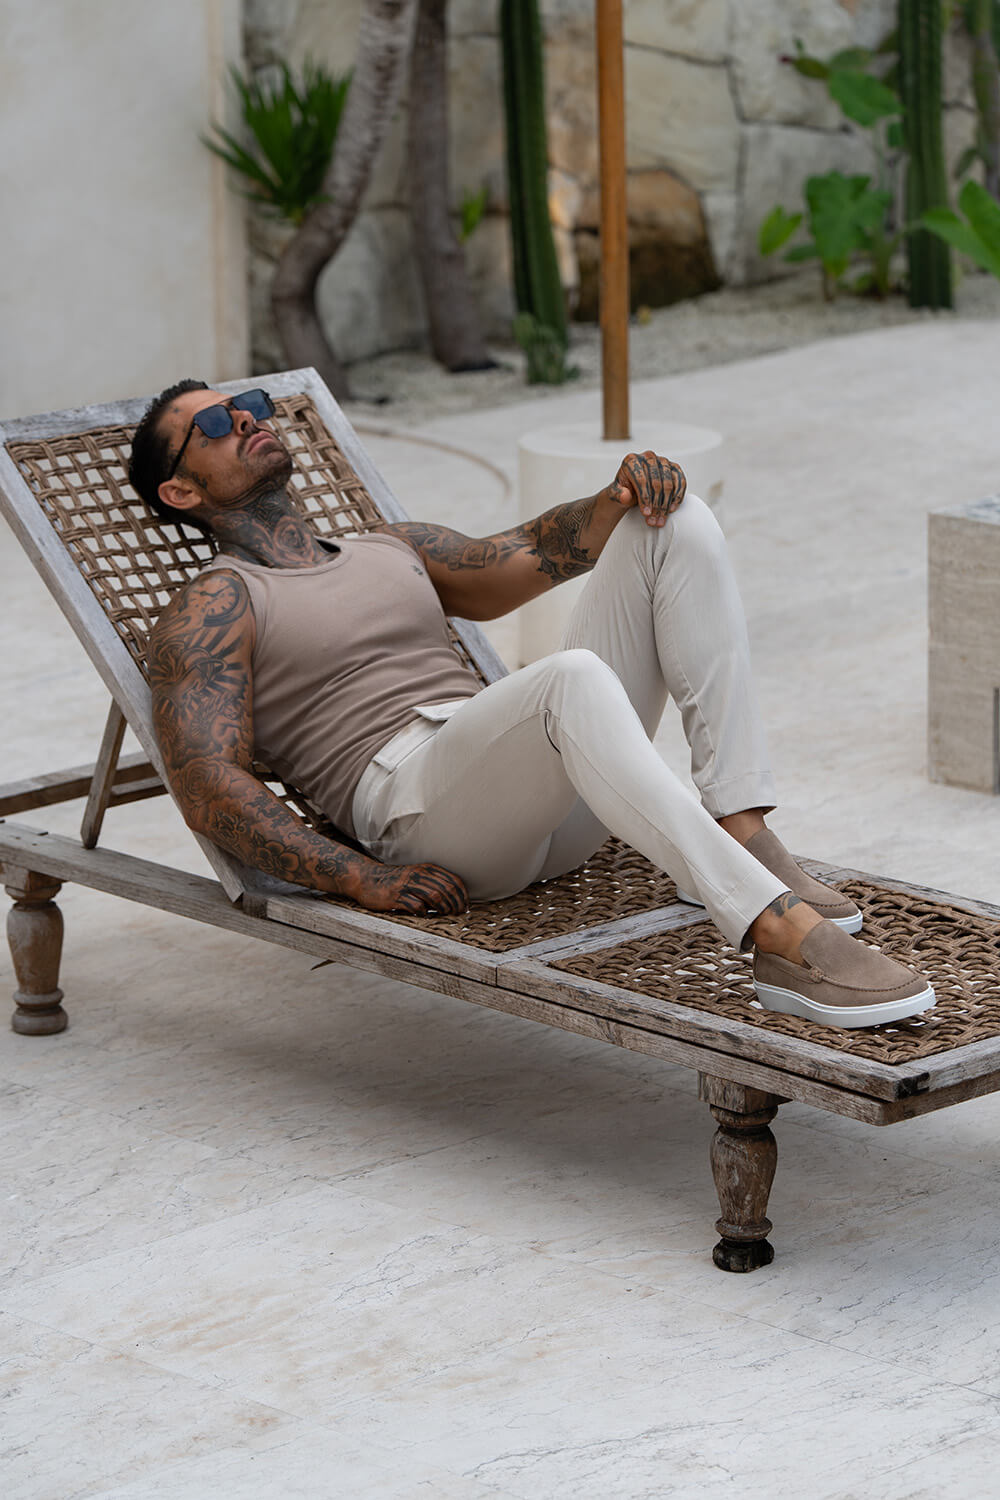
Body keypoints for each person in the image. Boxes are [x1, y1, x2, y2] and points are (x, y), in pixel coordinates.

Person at [128, 379, 934, 1031]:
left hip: (528, 793)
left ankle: (739, 828)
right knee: (568, 678)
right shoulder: (216, 604)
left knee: (672, 521)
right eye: (214, 424)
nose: (247, 418)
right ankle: (775, 932)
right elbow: (205, 782)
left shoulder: (392, 546)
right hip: (422, 812)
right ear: (180, 488)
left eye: (250, 405)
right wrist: (360, 878)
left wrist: (620, 495)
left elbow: (531, 553)